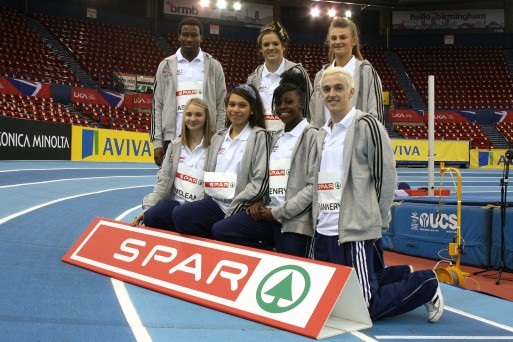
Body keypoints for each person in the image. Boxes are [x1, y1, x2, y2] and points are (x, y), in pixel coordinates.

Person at [311, 67, 443, 322]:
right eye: (326, 89)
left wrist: (377, 221)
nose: (332, 94)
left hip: (354, 229)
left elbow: (386, 177)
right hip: (324, 230)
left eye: (338, 88)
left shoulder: (367, 125)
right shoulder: (322, 134)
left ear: (352, 92)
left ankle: (427, 283)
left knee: (363, 308)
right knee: (334, 303)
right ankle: (402, 273)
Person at [212, 68, 318, 257]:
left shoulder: (313, 136)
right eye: (278, 103)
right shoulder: (275, 137)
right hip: (267, 215)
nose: (283, 107)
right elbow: (267, 178)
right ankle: (268, 252)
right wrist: (259, 199)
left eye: (289, 102)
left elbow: (312, 189)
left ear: (302, 103)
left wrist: (277, 212)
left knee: (290, 269)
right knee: (222, 230)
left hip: (294, 221)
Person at [172, 84, 270, 239]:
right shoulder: (218, 137)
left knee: (221, 229)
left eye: (242, 105)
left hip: (241, 206)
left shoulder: (260, 136)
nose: (236, 110)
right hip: (216, 203)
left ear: (252, 109)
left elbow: (260, 180)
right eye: (231, 105)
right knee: (181, 214)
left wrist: (236, 208)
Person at [150, 17, 227, 166]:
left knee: (204, 187)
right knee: (168, 187)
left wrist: (218, 136)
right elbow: (157, 106)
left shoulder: (214, 66)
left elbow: (221, 105)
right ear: (179, 36)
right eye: (185, 34)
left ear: (201, 38)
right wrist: (157, 143)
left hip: (207, 139)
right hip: (172, 139)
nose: (189, 39)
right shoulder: (165, 66)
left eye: (194, 35)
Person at [131, 98, 213, 230]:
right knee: (152, 216)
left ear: (206, 118)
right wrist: (148, 209)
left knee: (182, 216)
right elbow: (163, 181)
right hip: (176, 203)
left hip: (199, 206)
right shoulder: (174, 146)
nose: (192, 118)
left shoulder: (214, 147)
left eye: (198, 114)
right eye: (189, 114)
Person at [310, 16, 384, 128]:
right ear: (329, 42)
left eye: (343, 37)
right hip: (326, 142)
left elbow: (376, 116)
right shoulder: (320, 76)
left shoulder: (366, 72)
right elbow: (314, 116)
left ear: (354, 41)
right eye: (334, 38)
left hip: (356, 142)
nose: (338, 41)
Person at [247, 20, 312, 133]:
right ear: (260, 49)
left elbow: (308, 108)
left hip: (291, 137)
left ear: (283, 46)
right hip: (261, 138)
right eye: (266, 44)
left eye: (275, 43)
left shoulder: (297, 72)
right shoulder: (253, 78)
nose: (271, 48)